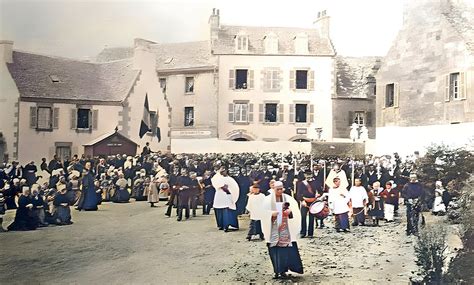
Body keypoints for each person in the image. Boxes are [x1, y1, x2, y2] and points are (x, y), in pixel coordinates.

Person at [258, 181, 303, 279]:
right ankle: (277, 271)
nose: (279, 191)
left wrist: (290, 212)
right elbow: (262, 213)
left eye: (281, 189)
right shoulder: (267, 200)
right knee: (275, 251)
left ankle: (283, 271)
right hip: (272, 229)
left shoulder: (289, 199)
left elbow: (295, 212)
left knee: (285, 251)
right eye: (277, 189)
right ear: (273, 189)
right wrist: (271, 214)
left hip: (285, 229)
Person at [212, 167, 240, 232]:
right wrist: (222, 186)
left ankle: (229, 225)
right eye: (222, 171)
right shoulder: (217, 178)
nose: (223, 172)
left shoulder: (230, 179)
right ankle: (221, 225)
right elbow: (216, 183)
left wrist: (229, 191)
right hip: (219, 195)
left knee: (228, 210)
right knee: (219, 209)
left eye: (224, 170)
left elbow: (235, 188)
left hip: (228, 196)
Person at [296, 170, 317, 238]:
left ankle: (310, 233)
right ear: (304, 175)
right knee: (303, 216)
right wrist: (302, 201)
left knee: (312, 217)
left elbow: (320, 191)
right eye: (307, 174)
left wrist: (319, 195)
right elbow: (298, 193)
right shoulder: (301, 183)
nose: (308, 176)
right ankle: (303, 232)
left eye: (310, 174)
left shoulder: (315, 182)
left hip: (313, 201)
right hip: (305, 201)